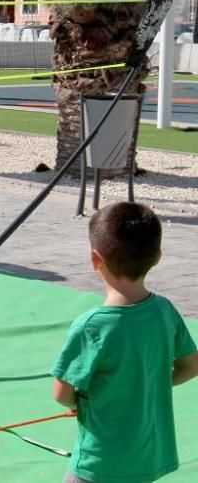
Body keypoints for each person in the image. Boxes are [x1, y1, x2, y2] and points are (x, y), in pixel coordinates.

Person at [51, 202, 198, 483]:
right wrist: (148, 383)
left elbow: (61, 393)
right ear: (157, 256)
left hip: (98, 464)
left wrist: (80, 402)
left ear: (95, 259)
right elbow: (191, 366)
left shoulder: (91, 326)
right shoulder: (164, 311)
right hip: (148, 459)